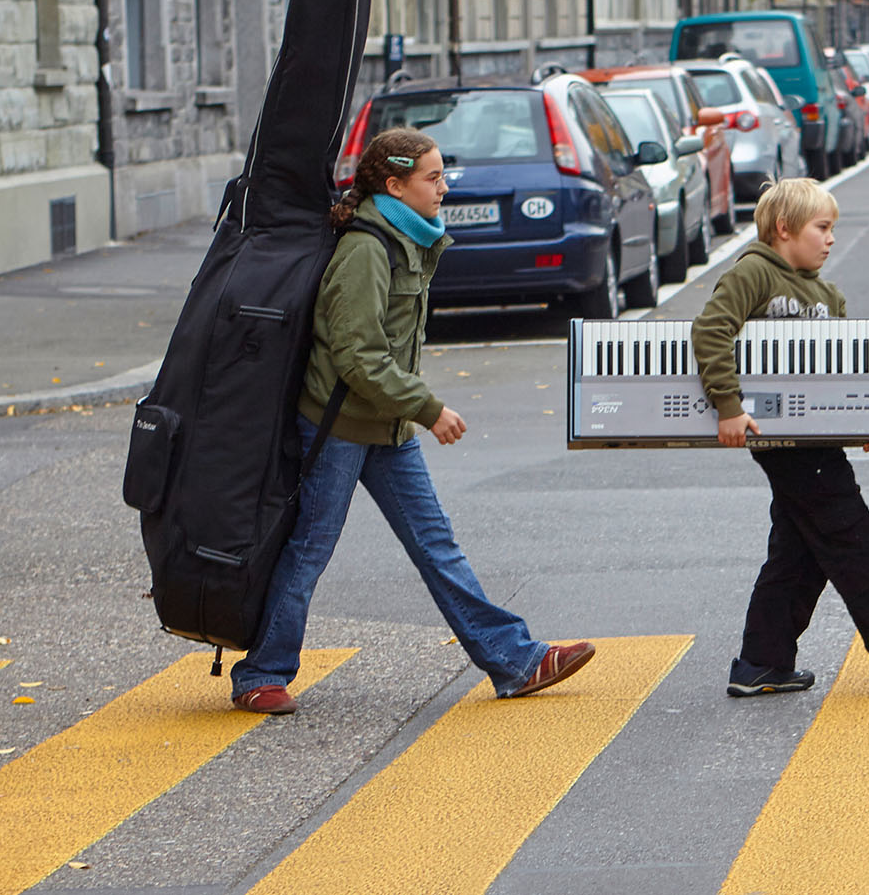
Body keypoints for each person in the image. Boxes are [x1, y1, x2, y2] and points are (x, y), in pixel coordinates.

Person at [229, 127, 595, 714]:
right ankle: (260, 674)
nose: (445, 188)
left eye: (442, 175)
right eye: (433, 177)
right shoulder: (367, 250)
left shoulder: (409, 237)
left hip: (385, 424)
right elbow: (358, 354)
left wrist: (408, 411)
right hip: (340, 425)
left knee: (436, 546)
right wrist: (428, 409)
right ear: (395, 185)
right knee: (310, 549)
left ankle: (516, 661)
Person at [693, 178, 869, 697]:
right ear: (784, 228)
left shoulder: (827, 294)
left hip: (819, 442)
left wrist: (864, 427)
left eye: (833, 230)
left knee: (799, 550)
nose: (831, 239)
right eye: (822, 228)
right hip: (780, 440)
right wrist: (728, 408)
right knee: (851, 539)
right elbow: (711, 330)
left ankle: (762, 662)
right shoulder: (753, 272)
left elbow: (841, 377)